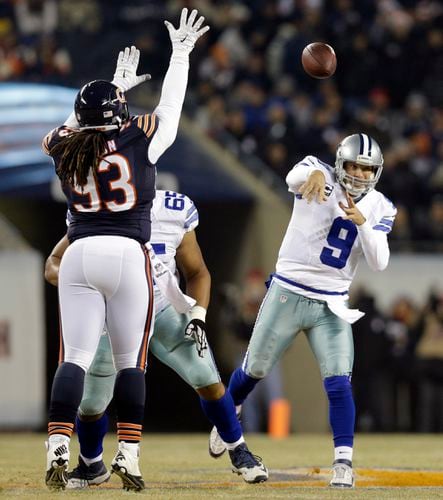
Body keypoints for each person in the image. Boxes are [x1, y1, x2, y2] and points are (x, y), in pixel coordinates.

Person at [41, 8, 210, 491]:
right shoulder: (139, 139)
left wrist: (104, 95)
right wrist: (180, 56)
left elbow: (68, 126)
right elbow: (172, 111)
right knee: (129, 363)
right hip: (127, 253)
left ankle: (57, 441)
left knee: (73, 357)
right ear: (119, 113)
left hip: (78, 252)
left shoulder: (63, 145)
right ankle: (129, 454)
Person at [45, 190, 268, 489]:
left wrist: (198, 314)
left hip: (162, 308)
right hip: (113, 314)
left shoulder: (173, 209)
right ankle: (90, 464)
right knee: (92, 403)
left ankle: (239, 449)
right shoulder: (97, 208)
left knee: (206, 376)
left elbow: (198, 271)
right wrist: (83, 283)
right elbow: (53, 265)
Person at [209, 134, 397, 488]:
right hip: (289, 292)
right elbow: (293, 177)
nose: (358, 174)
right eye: (353, 165)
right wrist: (313, 178)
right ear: (341, 163)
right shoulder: (317, 170)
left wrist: (363, 224)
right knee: (253, 371)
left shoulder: (379, 206)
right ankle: (227, 418)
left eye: (366, 168)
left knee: (340, 381)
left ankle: (343, 463)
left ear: (376, 172)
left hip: (332, 303)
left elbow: (380, 261)